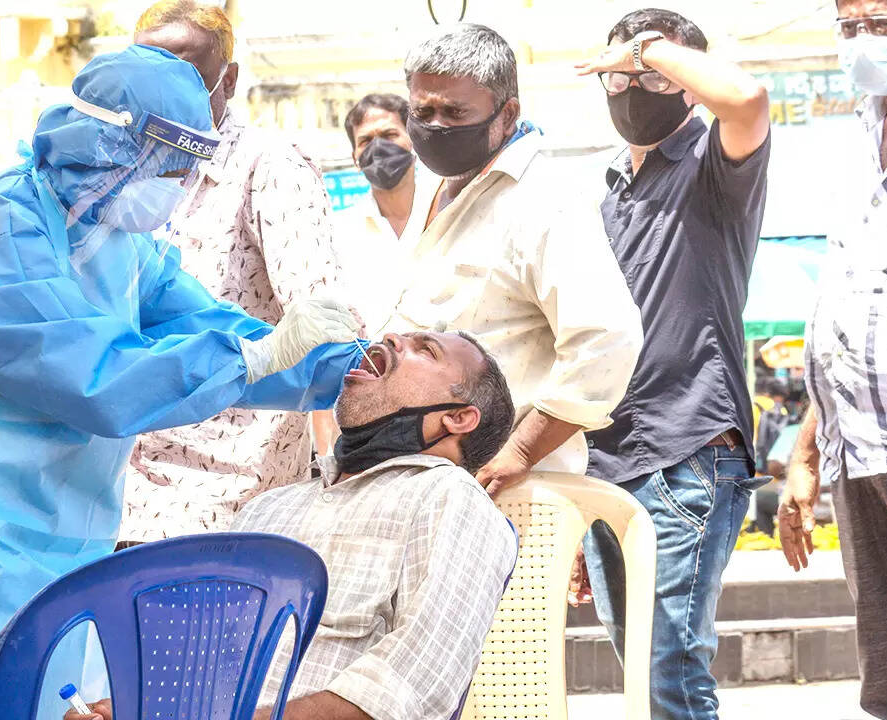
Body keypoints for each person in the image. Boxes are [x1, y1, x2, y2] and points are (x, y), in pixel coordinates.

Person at [0, 45, 365, 720]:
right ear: (110, 147)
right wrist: (257, 356)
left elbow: (208, 325)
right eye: (170, 167)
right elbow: (92, 376)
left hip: (75, 532)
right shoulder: (2, 229)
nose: (179, 187)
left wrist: (339, 367)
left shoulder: (118, 241)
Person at [67, 330, 518, 720]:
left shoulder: (453, 499)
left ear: (458, 417)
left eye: (426, 350)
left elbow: (415, 682)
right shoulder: (267, 509)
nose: (392, 338)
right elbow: (203, 668)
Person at [570, 9, 772, 718]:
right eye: (621, 73)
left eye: (653, 72)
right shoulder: (606, 194)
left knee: (671, 679)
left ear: (688, 81)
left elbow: (746, 100)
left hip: (687, 453)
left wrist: (646, 50)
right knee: (643, 677)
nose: (634, 85)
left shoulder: (713, 164)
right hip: (607, 461)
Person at [780, 1, 887, 717]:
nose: (861, 42)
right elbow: (846, 313)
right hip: (860, 458)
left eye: (881, 24)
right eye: (849, 26)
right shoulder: (853, 136)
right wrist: (808, 453)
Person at [120, 0, 352, 542]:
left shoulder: (270, 165)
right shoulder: (125, 167)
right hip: (118, 486)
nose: (165, 94)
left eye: (186, 77)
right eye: (149, 75)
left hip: (224, 491)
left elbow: (326, 322)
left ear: (228, 80)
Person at [392, 24, 643, 488]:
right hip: (422, 480)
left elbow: (608, 340)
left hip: (503, 487)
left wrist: (521, 450)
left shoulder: (545, 199)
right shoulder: (433, 186)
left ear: (507, 115)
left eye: (455, 112)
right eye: (422, 111)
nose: (435, 126)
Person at [334, 93, 433, 336]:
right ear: (355, 159)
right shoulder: (339, 233)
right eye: (366, 140)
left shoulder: (444, 212)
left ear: (414, 142)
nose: (378, 148)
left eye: (389, 135)